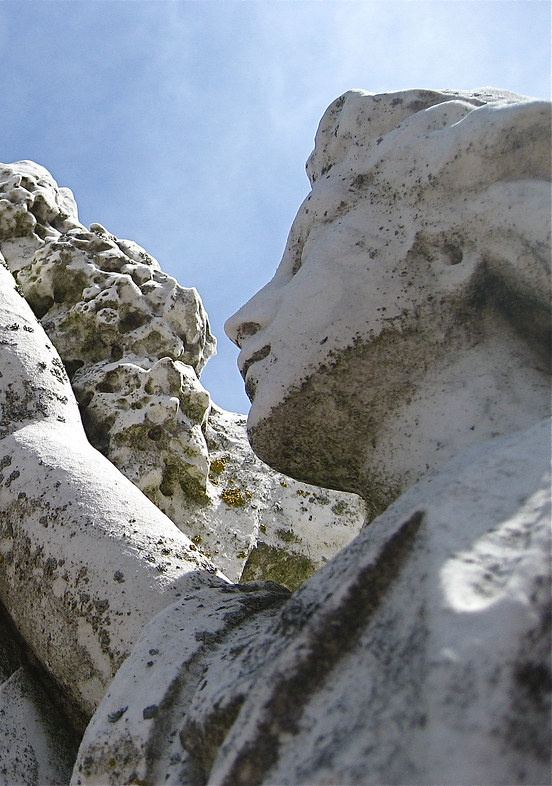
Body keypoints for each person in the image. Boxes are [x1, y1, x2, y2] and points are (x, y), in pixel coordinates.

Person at [73, 88, 550, 785]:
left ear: (450, 246)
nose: (242, 317)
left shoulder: (505, 525)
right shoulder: (342, 607)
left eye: (301, 257)